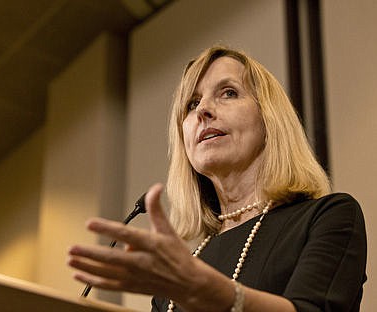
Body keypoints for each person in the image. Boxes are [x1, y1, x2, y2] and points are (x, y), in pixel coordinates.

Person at [67, 45, 367, 311]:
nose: (204, 111)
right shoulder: (180, 274)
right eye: (192, 103)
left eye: (228, 93)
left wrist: (213, 293)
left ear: (269, 119)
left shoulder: (329, 217)